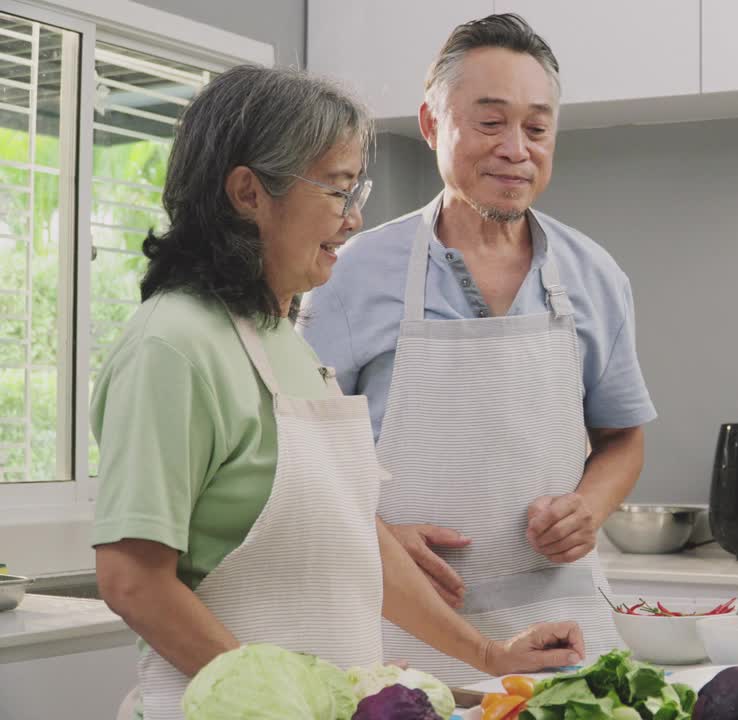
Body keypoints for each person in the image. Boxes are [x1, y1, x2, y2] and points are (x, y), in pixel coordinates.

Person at [92, 65, 582, 720]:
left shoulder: (280, 340)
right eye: (337, 191)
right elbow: (132, 581)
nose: (353, 221)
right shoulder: (173, 345)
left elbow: (355, 536)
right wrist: (297, 702)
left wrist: (488, 657)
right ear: (249, 193)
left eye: (358, 192)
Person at [301, 14, 656, 684]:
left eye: (537, 127)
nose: (516, 149)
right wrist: (372, 532)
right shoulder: (348, 274)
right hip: (401, 631)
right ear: (433, 125)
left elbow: (623, 438)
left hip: (565, 636)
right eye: (491, 122)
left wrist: (591, 508)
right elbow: (301, 458)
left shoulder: (595, 275)